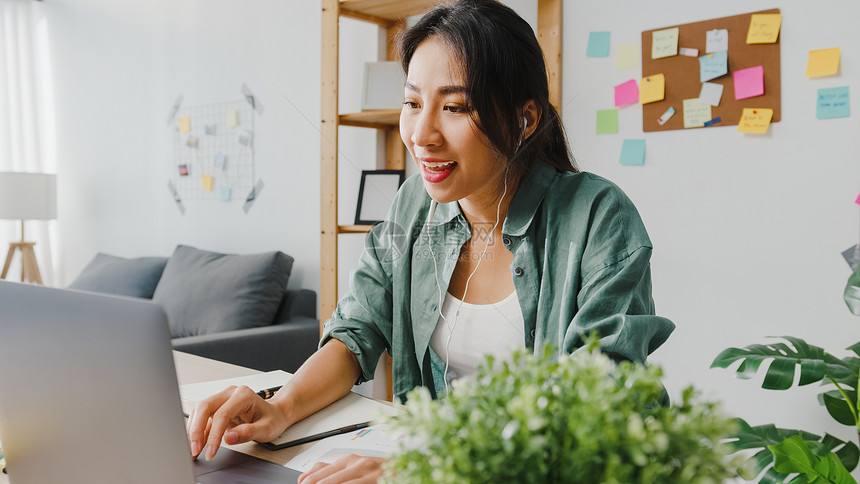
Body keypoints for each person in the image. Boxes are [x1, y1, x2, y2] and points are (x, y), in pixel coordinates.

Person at [187, 1, 675, 482]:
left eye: (455, 107)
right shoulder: (413, 207)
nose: (422, 134)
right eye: (413, 102)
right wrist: (281, 406)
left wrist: (431, 464)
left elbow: (600, 398)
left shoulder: (598, 219)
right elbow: (356, 330)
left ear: (525, 119)